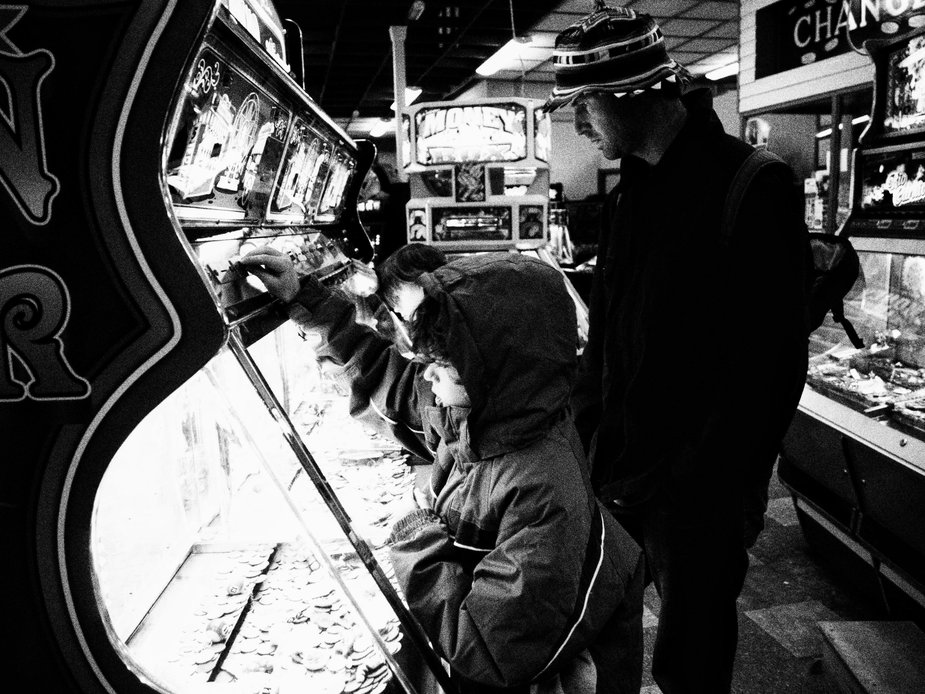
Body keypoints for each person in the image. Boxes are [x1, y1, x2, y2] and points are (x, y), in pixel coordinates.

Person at [542, 4, 809, 693]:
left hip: (697, 491)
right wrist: (589, 435)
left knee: (690, 655)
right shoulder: (632, 188)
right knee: (611, 637)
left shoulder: (752, 184)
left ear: (635, 96)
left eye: (586, 104)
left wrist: (700, 479)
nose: (577, 123)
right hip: (618, 468)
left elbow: (771, 366)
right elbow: (607, 334)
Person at [239, 249, 645, 694]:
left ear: (493, 368)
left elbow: (489, 651)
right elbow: (389, 379)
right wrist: (304, 299)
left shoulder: (541, 489)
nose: (428, 375)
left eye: (444, 364)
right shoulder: (482, 416)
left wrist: (416, 539)